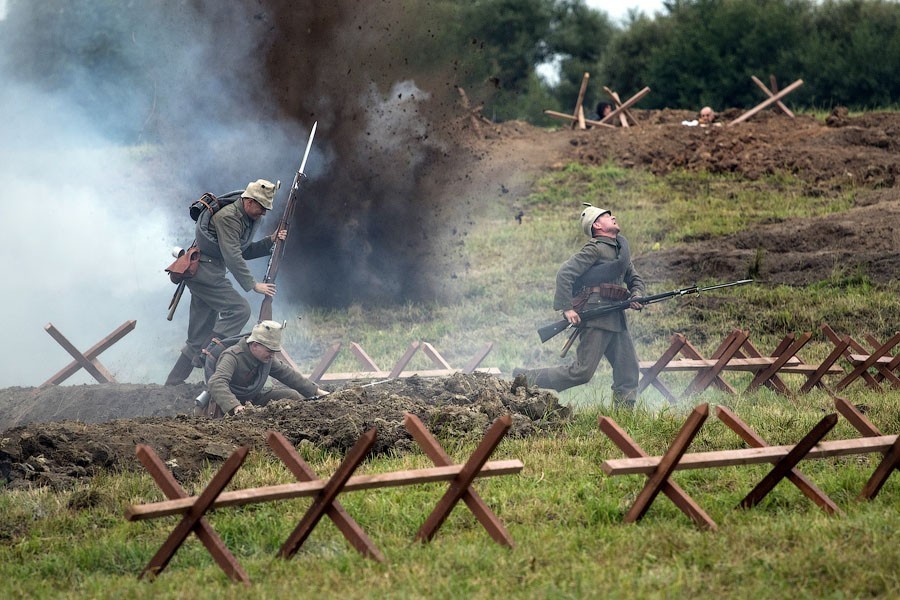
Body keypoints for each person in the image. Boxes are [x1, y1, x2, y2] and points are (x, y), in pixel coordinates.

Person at [515, 203, 645, 407]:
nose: (613, 217)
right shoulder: (594, 248)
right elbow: (565, 273)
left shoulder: (621, 253)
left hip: (616, 318)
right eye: (606, 216)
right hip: (596, 316)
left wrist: (636, 295)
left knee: (629, 371)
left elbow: (634, 279)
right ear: (597, 226)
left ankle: (623, 418)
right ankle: (525, 377)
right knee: (582, 372)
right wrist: (567, 308)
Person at [165, 179, 287, 386]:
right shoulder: (228, 217)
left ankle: (172, 384)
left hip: (207, 273)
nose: (264, 213)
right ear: (249, 201)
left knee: (197, 336)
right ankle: (207, 354)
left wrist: (270, 241)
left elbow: (243, 250)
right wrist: (253, 284)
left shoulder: (244, 218)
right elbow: (232, 255)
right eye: (262, 207)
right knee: (239, 310)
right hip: (205, 274)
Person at [206, 320, 329, 415]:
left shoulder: (265, 357)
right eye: (270, 351)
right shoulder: (232, 356)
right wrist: (235, 406)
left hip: (252, 398)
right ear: (255, 345)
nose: (272, 355)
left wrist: (317, 391)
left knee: (292, 396)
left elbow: (286, 373)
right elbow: (217, 382)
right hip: (229, 402)